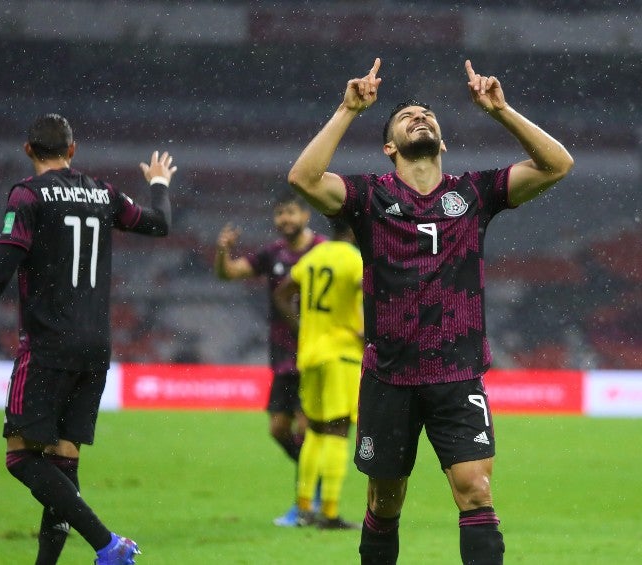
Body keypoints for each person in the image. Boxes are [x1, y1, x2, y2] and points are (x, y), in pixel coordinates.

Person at [286, 58, 574, 564]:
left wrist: (502, 111)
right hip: (389, 378)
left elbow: (557, 165)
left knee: (476, 491)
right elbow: (304, 178)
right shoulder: (368, 196)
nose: (420, 116)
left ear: (442, 142)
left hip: (457, 374)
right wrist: (348, 109)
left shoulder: (475, 193)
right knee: (384, 502)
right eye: (406, 116)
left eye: (428, 115)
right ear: (390, 146)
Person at [0, 113, 175, 565]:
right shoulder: (102, 193)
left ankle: (108, 544)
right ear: (73, 150)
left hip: (48, 344)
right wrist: (160, 182)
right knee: (64, 463)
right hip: (95, 346)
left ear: (28, 150)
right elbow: (158, 223)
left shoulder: (28, 196)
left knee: (20, 457)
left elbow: (2, 268)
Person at [214, 192, 327, 526]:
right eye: (279, 214)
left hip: (316, 354)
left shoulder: (323, 250)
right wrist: (223, 251)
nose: (285, 220)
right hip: (283, 357)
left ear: (306, 215)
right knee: (279, 429)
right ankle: (314, 480)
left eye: (290, 212)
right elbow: (229, 273)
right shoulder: (272, 253)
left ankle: (307, 503)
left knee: (307, 430)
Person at [274, 216, 364, 530]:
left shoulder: (313, 256)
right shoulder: (354, 260)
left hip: (310, 354)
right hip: (342, 355)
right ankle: (329, 512)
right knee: (338, 430)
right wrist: (368, 334)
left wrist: (304, 330)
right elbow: (373, 300)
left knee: (313, 429)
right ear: (353, 230)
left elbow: (282, 294)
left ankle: (303, 509)